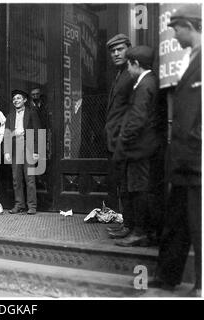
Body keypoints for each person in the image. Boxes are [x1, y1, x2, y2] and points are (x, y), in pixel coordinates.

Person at [150, 4, 201, 296]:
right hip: (182, 158)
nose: (174, 34)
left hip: (197, 159)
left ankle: (201, 284)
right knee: (176, 220)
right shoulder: (189, 58)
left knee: (198, 224)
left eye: (177, 28)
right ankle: (167, 275)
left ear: (191, 26)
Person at [112, 46, 161, 247]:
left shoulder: (144, 85)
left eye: (129, 66)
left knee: (139, 189)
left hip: (140, 149)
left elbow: (137, 119)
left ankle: (140, 232)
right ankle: (138, 230)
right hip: (144, 148)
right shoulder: (149, 82)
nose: (128, 70)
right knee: (138, 189)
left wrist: (123, 141)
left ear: (136, 64)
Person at [103, 34, 136, 239]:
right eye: (113, 51)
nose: (116, 53)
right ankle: (128, 223)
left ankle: (132, 227)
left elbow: (133, 110)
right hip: (115, 140)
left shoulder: (131, 75)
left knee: (129, 185)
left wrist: (123, 136)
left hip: (125, 141)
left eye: (120, 49)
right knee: (122, 184)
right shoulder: (119, 74)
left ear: (129, 50)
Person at [4, 89, 40, 215]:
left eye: (19, 98)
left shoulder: (32, 113)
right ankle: (19, 204)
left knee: (29, 178)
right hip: (15, 149)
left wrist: (36, 151)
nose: (16, 101)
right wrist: (7, 152)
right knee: (16, 178)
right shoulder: (10, 115)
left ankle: (32, 206)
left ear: (24, 100)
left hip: (28, 147)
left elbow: (37, 132)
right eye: (14, 99)